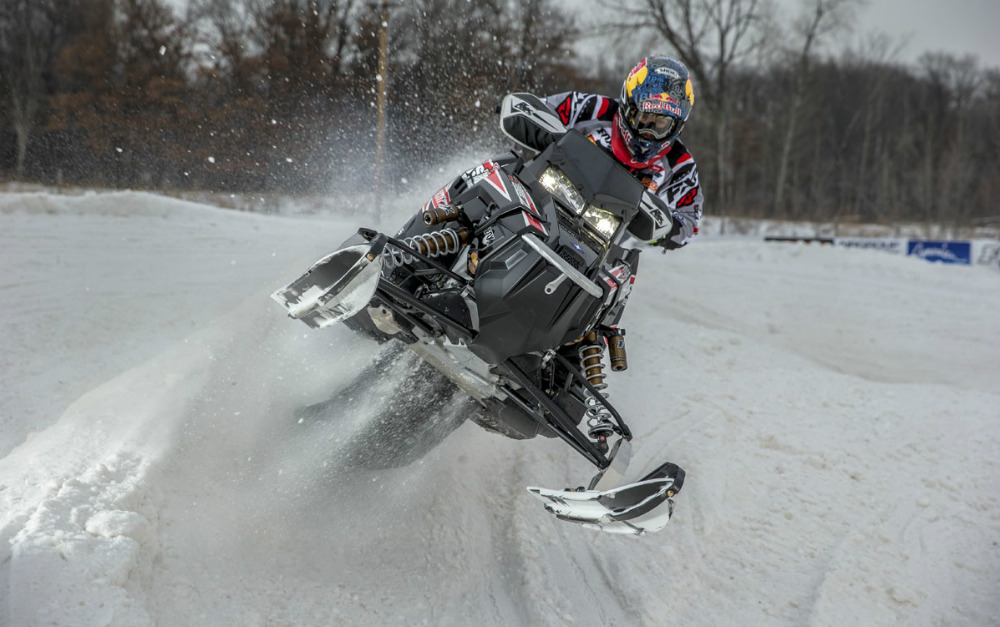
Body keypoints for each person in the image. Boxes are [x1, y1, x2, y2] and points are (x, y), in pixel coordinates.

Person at [534, 55, 703, 251]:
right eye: (645, 116)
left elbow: (691, 217)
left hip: (599, 243)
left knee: (622, 275)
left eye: (661, 123)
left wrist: (664, 230)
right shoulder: (592, 109)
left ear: (677, 126)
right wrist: (538, 127)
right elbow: (542, 108)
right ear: (629, 106)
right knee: (497, 177)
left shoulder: (679, 164)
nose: (650, 129)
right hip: (540, 197)